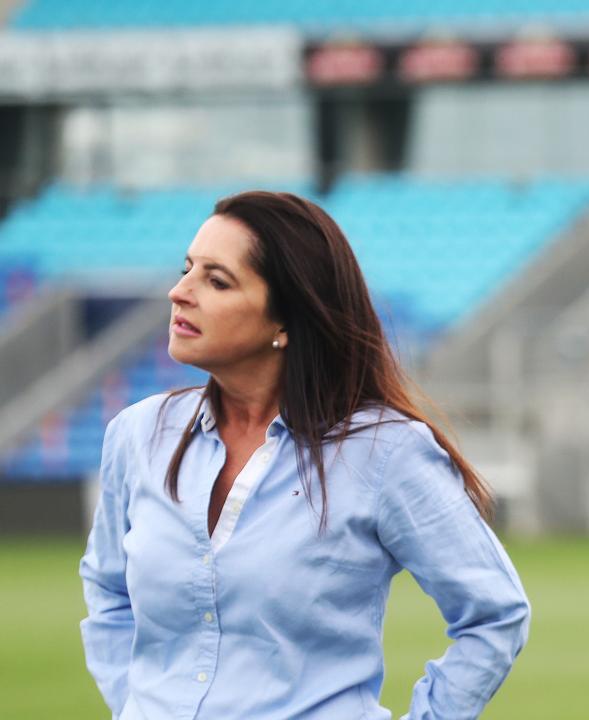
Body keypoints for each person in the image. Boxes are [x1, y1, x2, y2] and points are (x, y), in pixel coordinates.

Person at [80, 191, 530, 719]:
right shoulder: (138, 434)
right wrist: (136, 705)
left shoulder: (385, 452)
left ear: (286, 319)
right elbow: (109, 593)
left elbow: (494, 615)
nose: (180, 292)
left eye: (216, 280)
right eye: (187, 269)